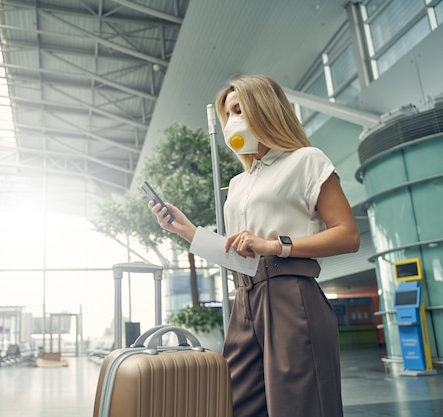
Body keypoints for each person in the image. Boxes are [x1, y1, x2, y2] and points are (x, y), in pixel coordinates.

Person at [148, 74, 360, 417]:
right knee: (236, 404)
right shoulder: (238, 182)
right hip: (245, 298)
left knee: (299, 407)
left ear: (263, 108)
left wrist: (277, 246)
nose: (232, 121)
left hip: (292, 296)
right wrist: (186, 230)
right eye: (227, 114)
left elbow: (348, 235)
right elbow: (241, 254)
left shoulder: (306, 160)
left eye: (237, 109)